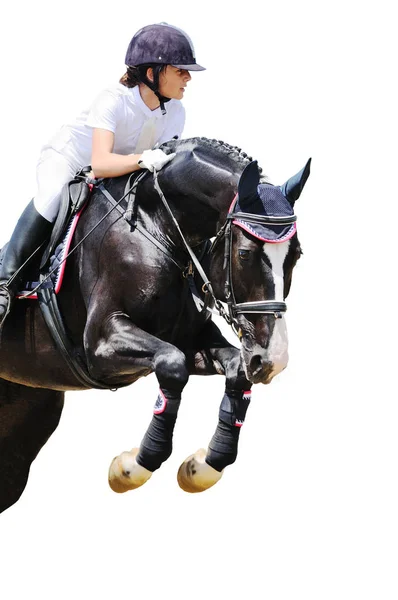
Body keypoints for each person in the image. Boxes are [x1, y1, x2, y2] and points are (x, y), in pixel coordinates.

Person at [0, 22, 205, 326]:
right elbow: (100, 163)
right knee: (53, 196)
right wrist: (141, 159)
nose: (188, 77)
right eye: (180, 70)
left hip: (116, 172)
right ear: (152, 73)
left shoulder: (176, 113)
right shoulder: (113, 99)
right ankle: (5, 282)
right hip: (70, 160)